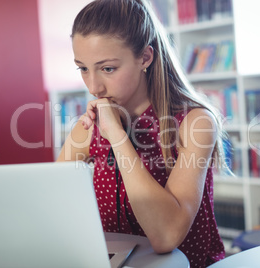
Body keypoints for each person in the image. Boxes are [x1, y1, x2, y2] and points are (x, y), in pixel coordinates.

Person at [57, 0, 230, 266]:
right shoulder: (89, 128)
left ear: (145, 58)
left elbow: (166, 236)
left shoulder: (195, 123)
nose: (93, 87)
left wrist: (117, 136)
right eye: (83, 68)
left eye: (108, 69)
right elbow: (47, 208)